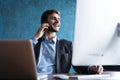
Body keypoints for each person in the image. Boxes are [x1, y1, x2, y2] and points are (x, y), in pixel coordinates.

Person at [32, 9, 103, 75]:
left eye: (59, 19)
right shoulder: (34, 42)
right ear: (45, 22)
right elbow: (22, 60)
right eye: (53, 18)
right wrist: (36, 37)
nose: (58, 21)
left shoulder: (67, 45)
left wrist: (91, 68)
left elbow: (78, 65)